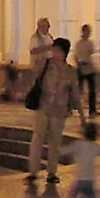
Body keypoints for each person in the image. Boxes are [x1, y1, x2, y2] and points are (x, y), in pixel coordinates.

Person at [26, 37, 82, 185]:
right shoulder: (45, 64)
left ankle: (52, 172)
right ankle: (33, 171)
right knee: (37, 139)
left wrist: (82, 116)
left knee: (55, 143)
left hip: (60, 110)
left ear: (65, 52)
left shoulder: (70, 71)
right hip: (43, 107)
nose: (55, 53)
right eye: (54, 50)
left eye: (58, 50)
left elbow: (75, 93)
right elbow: (33, 72)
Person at [73, 24, 97, 118]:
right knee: (79, 90)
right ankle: (78, 108)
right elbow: (76, 55)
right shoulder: (78, 43)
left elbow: (91, 54)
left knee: (92, 90)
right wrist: (78, 65)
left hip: (89, 67)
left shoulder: (90, 43)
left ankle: (92, 110)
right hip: (81, 66)